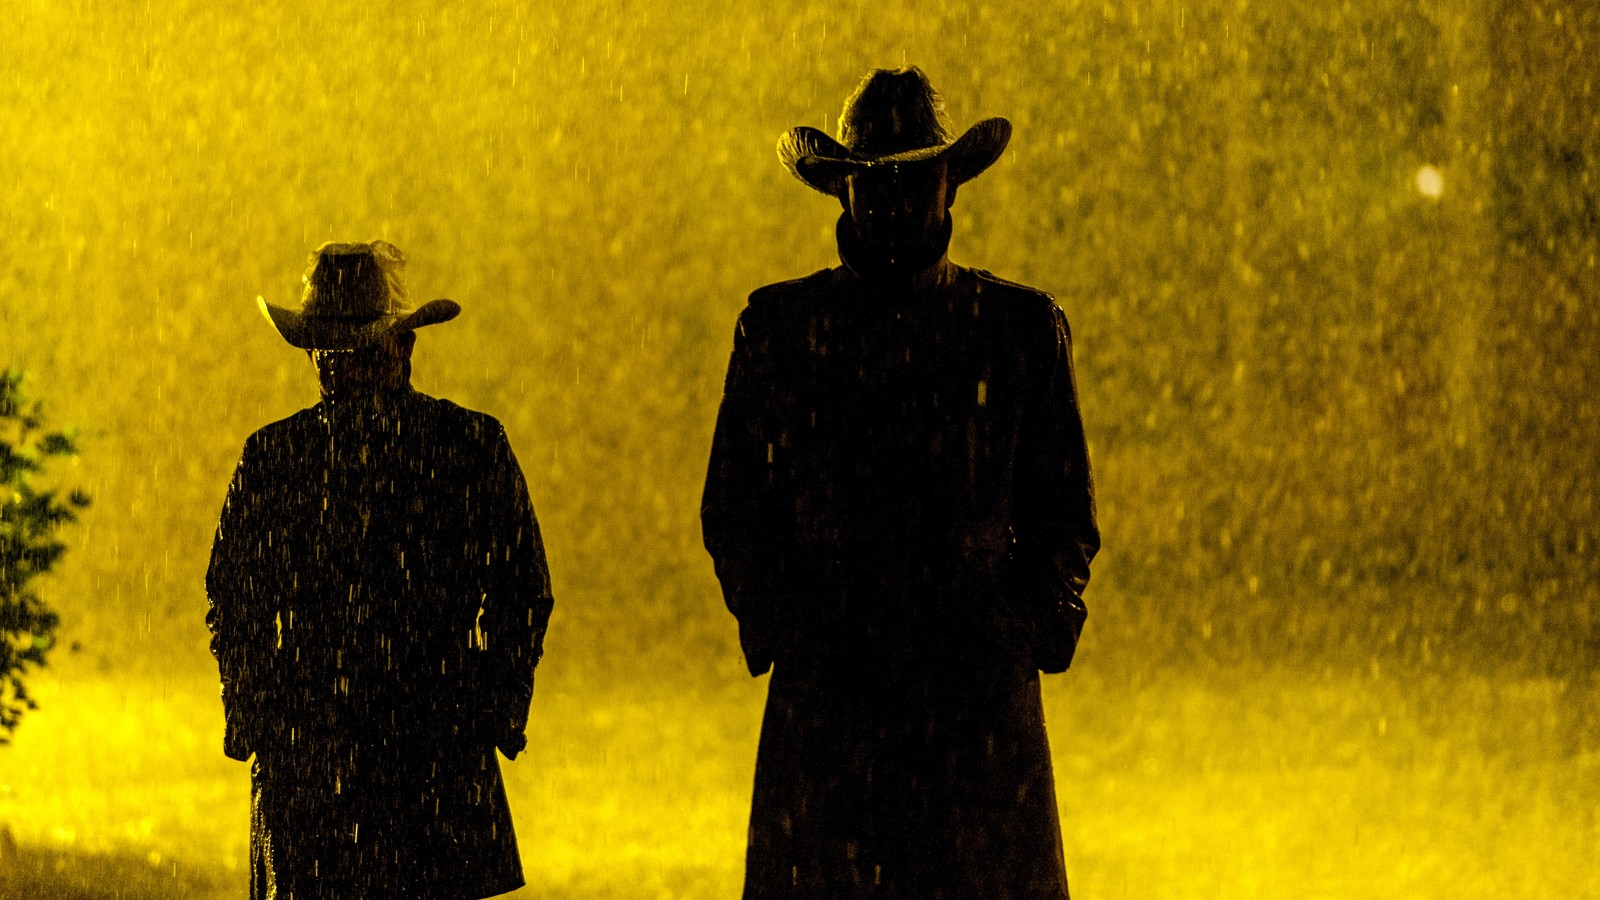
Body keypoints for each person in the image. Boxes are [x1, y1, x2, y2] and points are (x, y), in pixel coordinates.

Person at [702, 68, 1100, 899]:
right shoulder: (781, 331)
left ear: (950, 181)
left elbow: (1064, 514)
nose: (894, 200)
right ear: (842, 190)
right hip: (848, 692)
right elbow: (734, 511)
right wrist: (792, 620)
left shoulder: (1017, 331)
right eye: (877, 181)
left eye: (913, 177)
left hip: (963, 693)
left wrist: (1020, 626)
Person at [207, 240, 554, 900]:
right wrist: (491, 708)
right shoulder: (469, 445)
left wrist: (257, 714)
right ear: (406, 344)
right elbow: (523, 589)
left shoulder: (278, 456)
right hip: (429, 746)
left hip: (316, 750)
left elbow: (234, 597)